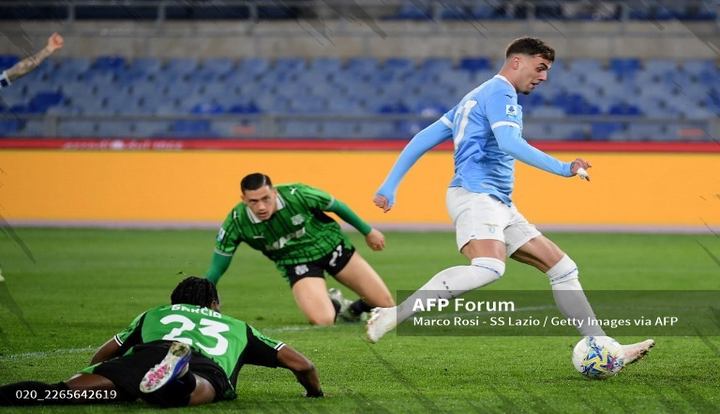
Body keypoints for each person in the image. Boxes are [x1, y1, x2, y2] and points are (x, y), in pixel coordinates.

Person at [364, 36, 654, 366]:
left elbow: (423, 137)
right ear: (517, 61)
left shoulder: (476, 95)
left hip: (498, 202)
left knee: (562, 269)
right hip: (477, 196)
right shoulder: (501, 93)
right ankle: (394, 314)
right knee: (489, 267)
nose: (544, 77)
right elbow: (509, 142)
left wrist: (389, 185)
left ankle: (604, 346)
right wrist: (564, 168)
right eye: (540, 67)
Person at [0, 277, 323, 407]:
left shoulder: (154, 314)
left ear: (174, 302)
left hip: (143, 357)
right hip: (202, 365)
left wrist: (108, 374)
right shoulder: (237, 327)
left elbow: (105, 353)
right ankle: (180, 374)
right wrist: (314, 393)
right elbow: (302, 365)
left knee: (59, 393)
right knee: (194, 391)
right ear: (214, 304)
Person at [206, 173, 394, 325]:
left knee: (386, 305)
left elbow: (336, 206)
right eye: (253, 201)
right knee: (324, 320)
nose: (261, 207)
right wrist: (204, 297)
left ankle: (353, 310)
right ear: (244, 199)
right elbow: (217, 267)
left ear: (275, 193)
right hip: (297, 263)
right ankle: (334, 303)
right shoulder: (236, 223)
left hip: (332, 246)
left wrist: (368, 231)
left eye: (266, 198)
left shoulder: (298, 194)